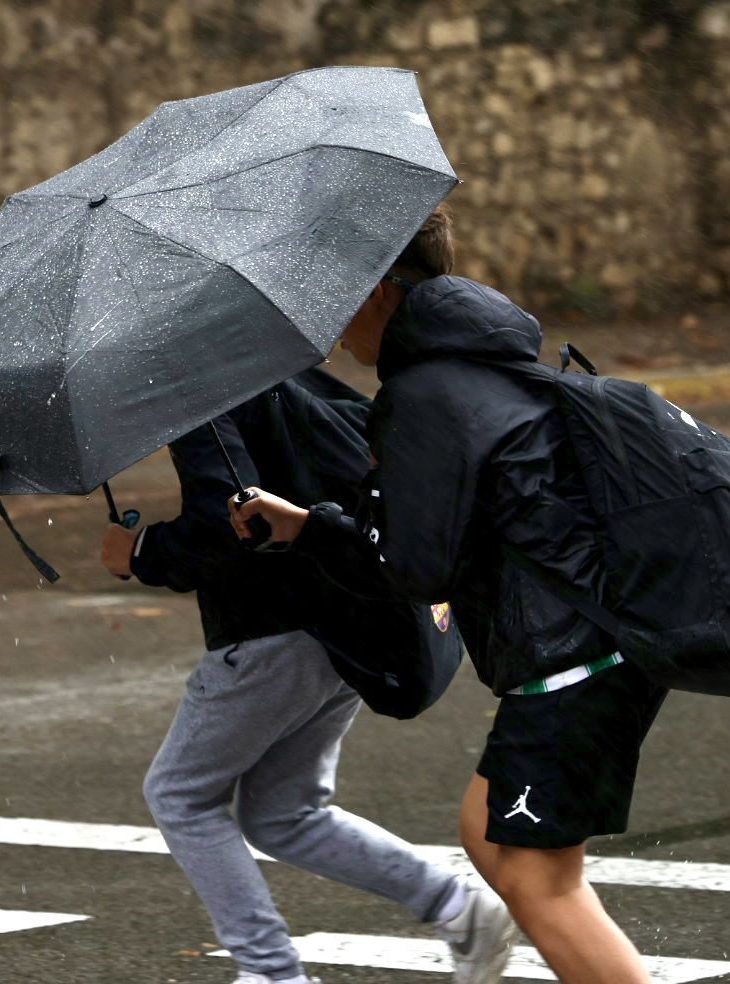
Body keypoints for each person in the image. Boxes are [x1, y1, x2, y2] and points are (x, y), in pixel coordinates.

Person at [228, 208, 670, 984]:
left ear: (377, 294)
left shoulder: (426, 392)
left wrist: (322, 530)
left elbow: (412, 567)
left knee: (541, 886)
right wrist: (315, 524)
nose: (331, 330)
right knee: (486, 831)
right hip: (591, 645)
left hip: (569, 660)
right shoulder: (475, 363)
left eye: (336, 300)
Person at [99, 371, 516, 984]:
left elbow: (234, 520)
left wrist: (139, 554)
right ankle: (459, 909)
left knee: (180, 794)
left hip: (272, 628)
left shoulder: (198, 388)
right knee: (282, 811)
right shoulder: (285, 370)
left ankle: (271, 973)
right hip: (343, 625)